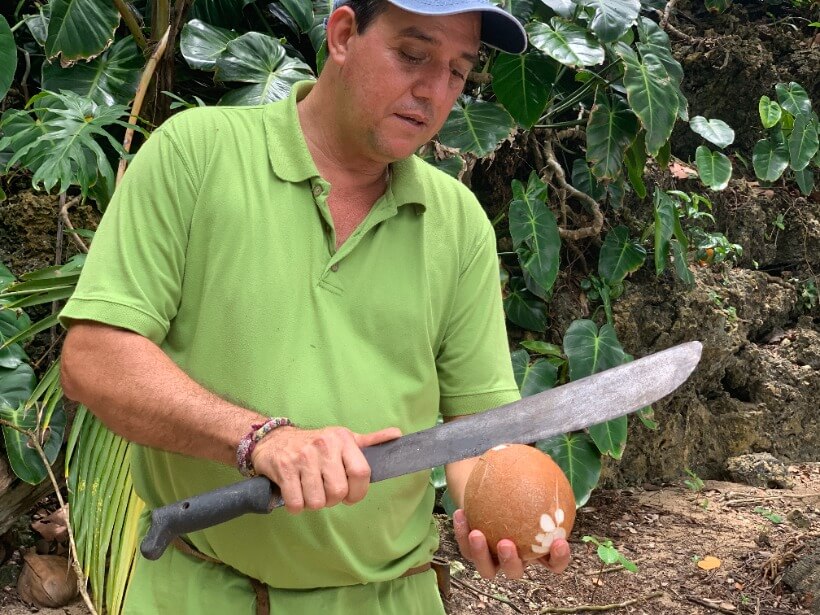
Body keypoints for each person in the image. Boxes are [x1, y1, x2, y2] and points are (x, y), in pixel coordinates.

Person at [59, 1, 571, 613]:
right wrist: (259, 439)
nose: (435, 91)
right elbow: (93, 359)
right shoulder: (196, 156)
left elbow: (475, 432)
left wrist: (491, 510)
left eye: (458, 72)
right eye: (413, 54)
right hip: (199, 592)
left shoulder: (457, 223)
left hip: (388, 599)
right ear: (344, 34)